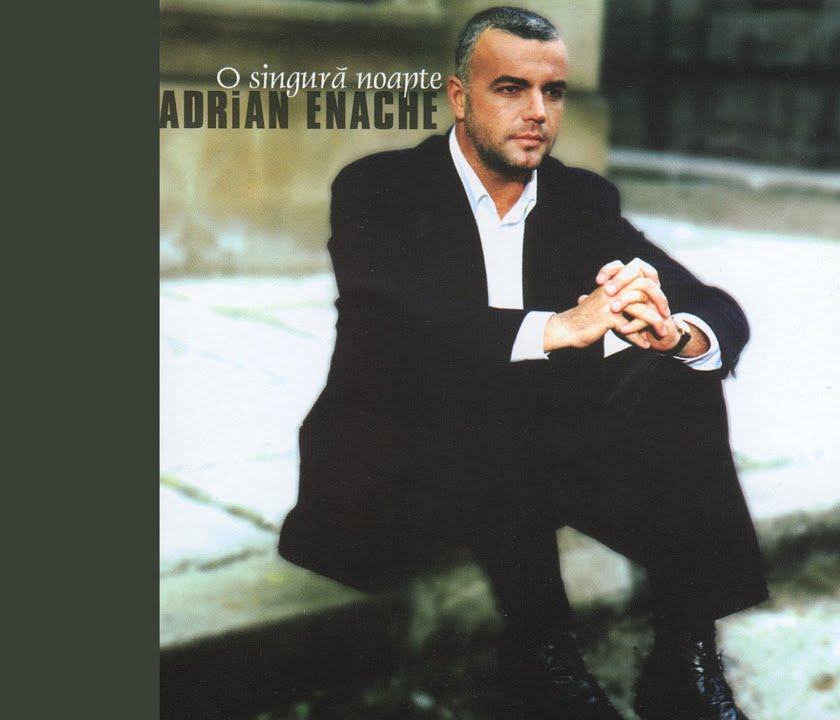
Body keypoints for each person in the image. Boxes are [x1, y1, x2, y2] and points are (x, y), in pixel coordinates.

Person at [278, 7, 768, 719]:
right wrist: (556, 329)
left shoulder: (580, 199)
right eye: (511, 88)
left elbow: (716, 307)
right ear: (459, 97)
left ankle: (683, 658)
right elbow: (400, 336)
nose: (537, 112)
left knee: (681, 377)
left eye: (553, 91)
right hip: (396, 468)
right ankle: (544, 653)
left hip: (526, 468)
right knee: (504, 381)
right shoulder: (379, 190)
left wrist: (677, 333)